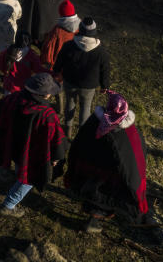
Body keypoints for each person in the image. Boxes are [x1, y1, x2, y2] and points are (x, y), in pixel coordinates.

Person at [64, 91, 150, 233]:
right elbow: (133, 161)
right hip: (111, 178)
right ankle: (93, 221)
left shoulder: (94, 122)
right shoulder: (127, 132)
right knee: (103, 196)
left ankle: (91, 212)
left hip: (90, 169)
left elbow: (79, 142)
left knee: (93, 190)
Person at [0, 73, 66, 216]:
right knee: (30, 177)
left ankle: (18, 174)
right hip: (32, 152)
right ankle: (8, 205)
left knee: (19, 163)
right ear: (46, 94)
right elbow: (57, 140)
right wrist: (56, 157)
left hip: (12, 144)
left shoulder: (13, 98)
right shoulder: (47, 114)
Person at [53, 17, 110, 138]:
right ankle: (81, 135)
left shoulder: (69, 45)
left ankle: (67, 131)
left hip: (70, 82)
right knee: (86, 108)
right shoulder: (101, 51)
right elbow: (105, 69)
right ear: (94, 32)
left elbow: (59, 60)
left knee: (70, 104)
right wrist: (105, 85)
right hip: (89, 86)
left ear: (80, 29)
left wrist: (56, 72)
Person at [39, 0, 80, 70]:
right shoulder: (81, 28)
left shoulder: (57, 30)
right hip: (73, 67)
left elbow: (48, 49)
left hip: (57, 67)